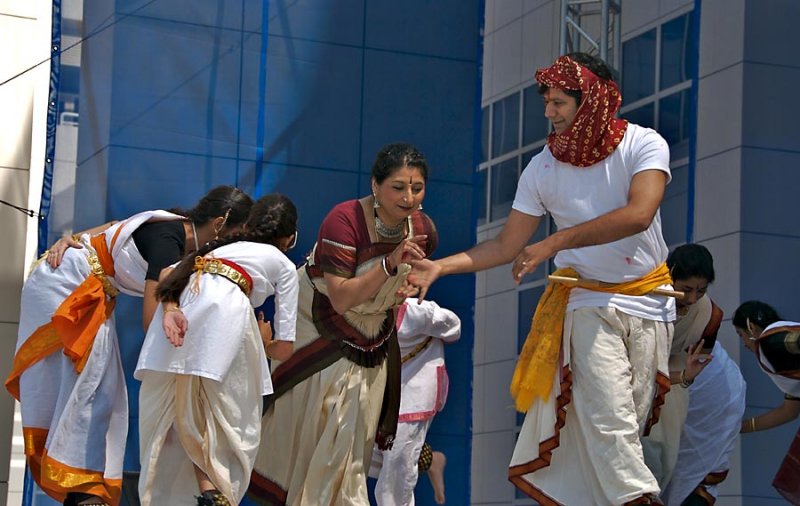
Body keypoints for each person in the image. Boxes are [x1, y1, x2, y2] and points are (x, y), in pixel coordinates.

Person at [407, 53, 674, 505]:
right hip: (587, 301)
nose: (548, 113)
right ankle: (640, 500)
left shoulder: (644, 145)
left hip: (650, 300)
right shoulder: (542, 168)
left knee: (628, 420)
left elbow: (639, 214)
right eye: (546, 102)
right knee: (609, 417)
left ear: (591, 101)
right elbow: (506, 246)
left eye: (558, 103)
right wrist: (440, 266)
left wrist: (554, 243)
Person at [5, 186, 253, 506]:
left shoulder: (175, 230)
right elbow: (151, 320)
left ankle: (84, 488)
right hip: (67, 288)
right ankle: (83, 491)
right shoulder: (170, 241)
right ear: (220, 225)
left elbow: (111, 225)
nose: (238, 242)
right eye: (239, 233)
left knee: (100, 389)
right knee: (90, 387)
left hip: (84, 289)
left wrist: (72, 237)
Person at [247, 142, 438, 506]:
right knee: (305, 435)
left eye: (417, 188)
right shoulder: (345, 220)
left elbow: (406, 284)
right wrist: (390, 263)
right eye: (398, 187)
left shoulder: (424, 231)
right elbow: (341, 298)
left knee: (350, 443)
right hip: (317, 328)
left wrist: (410, 282)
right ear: (375, 185)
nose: (409, 197)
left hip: (370, 342)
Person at [134, 194, 300, 506]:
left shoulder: (216, 249)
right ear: (289, 238)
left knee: (183, 412)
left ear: (249, 225)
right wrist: (265, 342)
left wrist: (170, 309)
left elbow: (168, 276)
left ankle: (206, 491)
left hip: (181, 317)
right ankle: (213, 491)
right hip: (227, 319)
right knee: (226, 420)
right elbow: (286, 349)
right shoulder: (283, 264)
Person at [643, 244, 746, 505]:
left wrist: (685, 376)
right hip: (628, 380)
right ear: (670, 276)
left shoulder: (710, 315)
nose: (691, 299)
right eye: (686, 289)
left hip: (669, 390)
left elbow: (693, 364)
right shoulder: (642, 298)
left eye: (701, 291)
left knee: (657, 459)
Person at [368, 297, 460, 506]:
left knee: (396, 465)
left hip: (415, 395)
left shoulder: (419, 312)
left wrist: (431, 320)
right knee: (371, 453)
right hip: (384, 393)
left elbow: (454, 328)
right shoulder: (362, 308)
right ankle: (429, 460)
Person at [733, 301, 800, 505]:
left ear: (751, 327)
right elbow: (789, 411)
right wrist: (738, 428)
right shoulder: (779, 353)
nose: (744, 343)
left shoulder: (770, 342)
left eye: (740, 334)